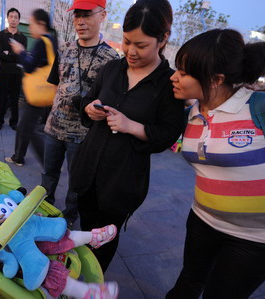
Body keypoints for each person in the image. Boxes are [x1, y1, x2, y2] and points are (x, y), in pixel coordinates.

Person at [70, 0, 185, 272]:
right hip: (89, 168)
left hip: (123, 180)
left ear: (163, 39)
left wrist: (131, 125)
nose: (131, 51)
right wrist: (89, 108)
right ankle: (75, 278)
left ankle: (92, 283)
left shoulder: (169, 84)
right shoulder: (112, 69)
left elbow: (168, 134)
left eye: (141, 45)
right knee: (86, 229)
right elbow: (87, 101)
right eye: (126, 41)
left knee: (105, 239)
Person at [166, 29, 265, 298]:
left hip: (257, 238)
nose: (174, 77)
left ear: (216, 79)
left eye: (183, 73)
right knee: (186, 285)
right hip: (203, 220)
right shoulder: (192, 113)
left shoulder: (263, 107)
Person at [0, 164, 119, 299]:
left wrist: (25, 210)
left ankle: (92, 237)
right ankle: (85, 292)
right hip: (9, 254)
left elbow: (10, 204)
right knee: (43, 270)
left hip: (26, 231)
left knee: (56, 235)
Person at [42, 0, 119, 227]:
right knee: (48, 175)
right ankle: (44, 210)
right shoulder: (64, 49)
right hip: (53, 128)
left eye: (86, 15)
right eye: (77, 15)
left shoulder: (111, 59)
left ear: (102, 15)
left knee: (77, 182)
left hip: (84, 135)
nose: (80, 21)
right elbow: (55, 85)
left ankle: (69, 218)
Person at [5, 9, 57, 167]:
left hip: (38, 93)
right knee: (26, 128)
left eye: (32, 23)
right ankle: (19, 157)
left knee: (30, 129)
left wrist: (20, 51)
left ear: (41, 24)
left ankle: (48, 164)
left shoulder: (43, 41)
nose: (30, 26)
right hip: (45, 92)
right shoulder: (52, 40)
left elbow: (29, 66)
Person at [0, 8, 27, 131]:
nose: (13, 19)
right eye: (11, 16)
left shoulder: (23, 38)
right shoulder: (0, 35)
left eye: (16, 17)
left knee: (15, 99)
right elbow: (0, 54)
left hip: (16, 73)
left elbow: (21, 56)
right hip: (3, 71)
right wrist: (14, 55)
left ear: (19, 20)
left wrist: (9, 54)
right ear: (7, 18)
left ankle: (14, 122)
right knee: (1, 97)